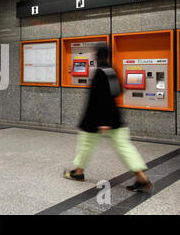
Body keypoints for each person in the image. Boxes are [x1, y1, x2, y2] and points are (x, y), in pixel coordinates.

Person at [64, 43, 153, 193]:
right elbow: (118, 91)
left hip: (96, 119)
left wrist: (103, 122)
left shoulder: (99, 72)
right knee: (125, 148)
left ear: (98, 54)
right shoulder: (112, 70)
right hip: (115, 118)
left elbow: (99, 99)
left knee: (85, 145)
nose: (93, 55)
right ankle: (141, 178)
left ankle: (78, 173)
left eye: (94, 53)